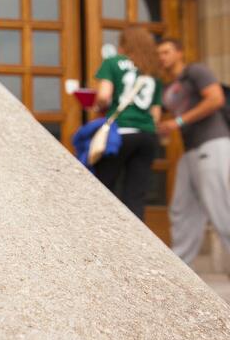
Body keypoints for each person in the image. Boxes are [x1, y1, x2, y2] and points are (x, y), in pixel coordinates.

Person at [157, 38, 229, 264]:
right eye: (159, 53)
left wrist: (178, 122)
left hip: (213, 143)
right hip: (190, 152)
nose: (162, 57)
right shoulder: (167, 85)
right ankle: (178, 269)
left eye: (167, 52)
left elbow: (216, 99)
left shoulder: (196, 71)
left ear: (180, 52)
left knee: (222, 209)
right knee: (181, 208)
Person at [92, 26, 163, 220]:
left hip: (120, 132)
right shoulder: (152, 71)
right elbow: (156, 114)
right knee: (136, 195)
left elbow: (104, 96)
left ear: (124, 43)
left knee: (105, 187)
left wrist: (97, 106)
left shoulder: (113, 62)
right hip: (147, 136)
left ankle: (103, 233)